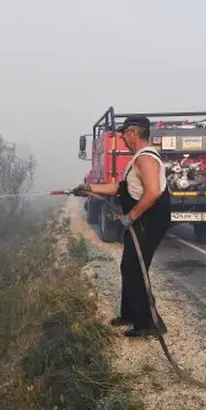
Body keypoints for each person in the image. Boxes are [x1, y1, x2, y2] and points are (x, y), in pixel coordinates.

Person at [72, 115, 171, 337]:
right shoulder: (138, 158)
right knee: (128, 267)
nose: (123, 138)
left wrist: (132, 215)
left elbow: (153, 192)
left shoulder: (145, 158)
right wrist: (90, 188)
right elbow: (120, 187)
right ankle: (130, 314)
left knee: (135, 269)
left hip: (148, 220)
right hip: (142, 220)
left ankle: (148, 324)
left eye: (124, 133)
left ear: (134, 133)